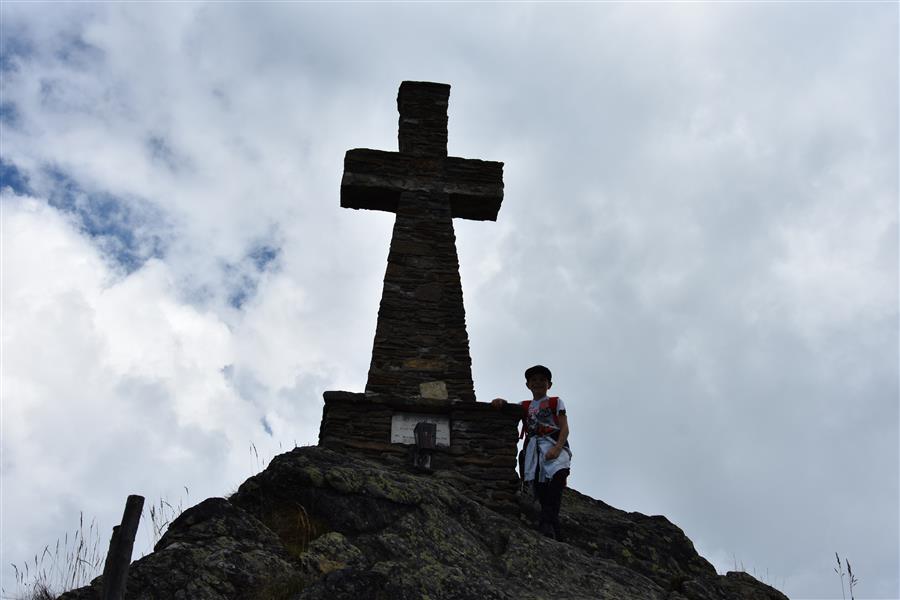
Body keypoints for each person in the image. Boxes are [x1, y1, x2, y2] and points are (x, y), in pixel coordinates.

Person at [492, 364, 571, 540]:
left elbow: (564, 428)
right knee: (540, 486)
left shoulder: (555, 402)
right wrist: (501, 402)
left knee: (558, 476)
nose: (538, 383)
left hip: (553, 442)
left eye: (542, 380)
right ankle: (550, 525)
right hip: (533, 448)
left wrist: (558, 448)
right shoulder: (524, 405)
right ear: (528, 385)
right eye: (533, 380)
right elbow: (509, 409)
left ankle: (547, 521)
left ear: (549, 384)